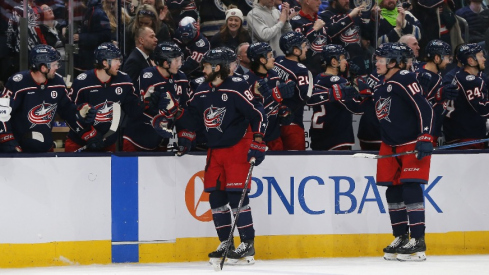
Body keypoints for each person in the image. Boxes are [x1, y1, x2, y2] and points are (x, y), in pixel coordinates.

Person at [174, 48, 267, 265]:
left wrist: (259, 141)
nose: (203, 69)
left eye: (206, 66)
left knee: (236, 196)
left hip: (237, 147)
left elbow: (258, 113)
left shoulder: (237, 86)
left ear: (217, 68)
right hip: (215, 150)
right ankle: (226, 241)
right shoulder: (202, 89)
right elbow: (194, 119)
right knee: (215, 196)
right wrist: (181, 125)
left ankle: (247, 243)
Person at [373, 42, 434, 262]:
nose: (376, 63)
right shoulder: (382, 84)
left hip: (411, 143)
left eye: (381, 59)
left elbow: (424, 107)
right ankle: (400, 236)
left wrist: (425, 136)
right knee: (392, 190)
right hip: (390, 145)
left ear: (393, 62)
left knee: (410, 188)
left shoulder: (405, 77)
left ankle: (418, 239)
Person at [0, 44, 96, 153]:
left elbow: (67, 110)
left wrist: (80, 111)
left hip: (46, 149)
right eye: (54, 64)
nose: (57, 67)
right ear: (43, 67)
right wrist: (7, 140)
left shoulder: (58, 83)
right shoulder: (18, 83)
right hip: (20, 150)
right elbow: (2, 113)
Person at [65, 42, 149, 152]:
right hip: (79, 143)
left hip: (107, 143)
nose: (119, 63)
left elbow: (132, 110)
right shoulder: (83, 82)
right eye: (116, 60)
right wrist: (88, 134)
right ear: (105, 63)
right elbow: (69, 113)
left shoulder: (124, 80)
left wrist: (145, 101)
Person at [122, 41, 188, 151]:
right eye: (176, 60)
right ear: (166, 63)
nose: (179, 63)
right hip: (138, 137)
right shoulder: (148, 76)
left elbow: (185, 106)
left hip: (162, 139)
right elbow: (143, 108)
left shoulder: (181, 77)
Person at [308, 44, 365, 150]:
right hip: (337, 139)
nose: (346, 62)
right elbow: (357, 108)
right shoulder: (340, 82)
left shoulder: (318, 78)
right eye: (343, 58)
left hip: (319, 137)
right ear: (334, 61)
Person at [245, 42, 295, 150]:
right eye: (270, 56)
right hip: (256, 137)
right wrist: (275, 96)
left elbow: (278, 102)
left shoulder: (274, 75)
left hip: (274, 136)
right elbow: (251, 114)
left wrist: (282, 110)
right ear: (262, 60)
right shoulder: (246, 82)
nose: (273, 59)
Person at [443, 43, 489, 149]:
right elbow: (484, 109)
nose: (484, 59)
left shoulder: (458, 76)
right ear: (471, 61)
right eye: (481, 56)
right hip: (468, 137)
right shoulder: (471, 81)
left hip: (456, 134)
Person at [272, 31, 312, 150]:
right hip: (292, 123)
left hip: (273, 122)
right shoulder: (301, 70)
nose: (306, 50)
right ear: (295, 50)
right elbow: (306, 97)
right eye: (304, 47)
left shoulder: (277, 61)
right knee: (296, 164)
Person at [415, 40, 458, 143]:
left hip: (433, 131)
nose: (448, 61)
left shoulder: (429, 70)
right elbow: (418, 106)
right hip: (424, 135)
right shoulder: (423, 77)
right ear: (437, 58)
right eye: (447, 58)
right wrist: (439, 96)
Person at [319, 0, 372, 75]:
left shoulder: (353, 12)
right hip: (338, 64)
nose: (347, 1)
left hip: (359, 60)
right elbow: (330, 34)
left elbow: (368, 35)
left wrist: (373, 18)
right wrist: (350, 17)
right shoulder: (325, 15)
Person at [290, 0, 328, 76]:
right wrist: (314, 29)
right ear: (307, 1)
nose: (320, 2)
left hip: (323, 69)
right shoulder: (296, 22)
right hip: (306, 71)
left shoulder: (320, 19)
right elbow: (298, 46)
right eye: (317, 0)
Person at [73, 0, 111, 75]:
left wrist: (82, 37)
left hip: (94, 60)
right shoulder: (89, 10)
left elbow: (106, 35)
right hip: (87, 59)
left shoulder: (98, 13)